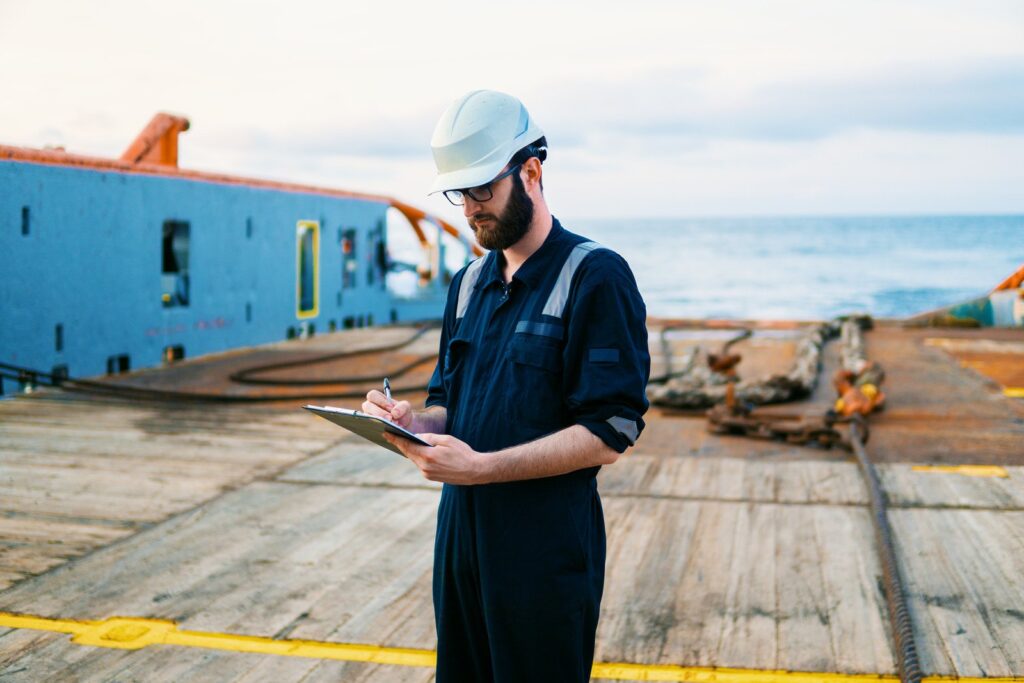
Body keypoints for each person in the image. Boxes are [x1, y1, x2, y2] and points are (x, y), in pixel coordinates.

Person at [362, 89, 649, 683]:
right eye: (458, 193)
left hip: (542, 556)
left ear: (532, 171)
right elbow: (450, 407)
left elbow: (610, 431)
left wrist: (483, 468)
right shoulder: (467, 284)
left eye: (481, 190)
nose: (468, 208)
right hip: (461, 547)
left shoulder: (595, 277)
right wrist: (412, 425)